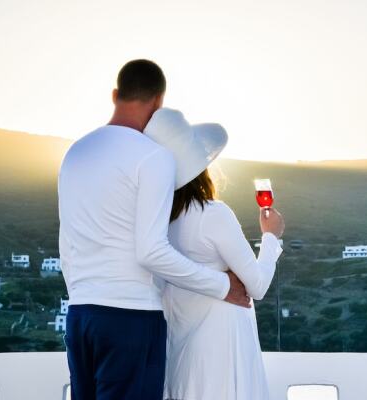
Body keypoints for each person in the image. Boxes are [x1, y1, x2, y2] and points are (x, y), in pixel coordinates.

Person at [57, 60, 251, 400]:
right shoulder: (153, 156)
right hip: (130, 319)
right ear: (159, 103)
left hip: (80, 314)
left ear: (115, 94)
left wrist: (84, 297)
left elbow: (66, 246)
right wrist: (222, 285)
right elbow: (151, 251)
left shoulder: (75, 153)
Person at [144, 108, 285, 400]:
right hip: (223, 344)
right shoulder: (213, 214)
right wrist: (271, 237)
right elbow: (256, 286)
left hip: (184, 346)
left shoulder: (158, 223)